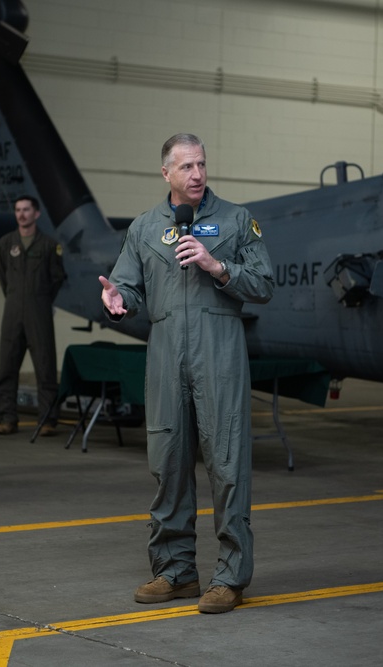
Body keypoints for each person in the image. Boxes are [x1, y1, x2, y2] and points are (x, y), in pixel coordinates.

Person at [98, 133, 274, 614]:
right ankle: (175, 572)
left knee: (227, 461)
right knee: (169, 460)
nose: (197, 174)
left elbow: (264, 283)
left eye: (202, 164)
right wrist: (117, 302)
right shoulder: (144, 229)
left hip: (220, 353)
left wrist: (217, 266)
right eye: (187, 167)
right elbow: (128, 288)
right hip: (166, 351)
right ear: (167, 174)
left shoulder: (237, 220)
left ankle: (231, 577)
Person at [0, 195, 66, 436]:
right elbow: (3, 276)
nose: (21, 214)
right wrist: (17, 296)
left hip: (39, 310)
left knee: (45, 367)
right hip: (12, 310)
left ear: (36, 214)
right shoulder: (6, 244)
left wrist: (40, 299)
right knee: (7, 366)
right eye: (18, 210)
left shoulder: (48, 245)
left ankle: (47, 421)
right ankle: (6, 418)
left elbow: (57, 279)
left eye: (26, 210)